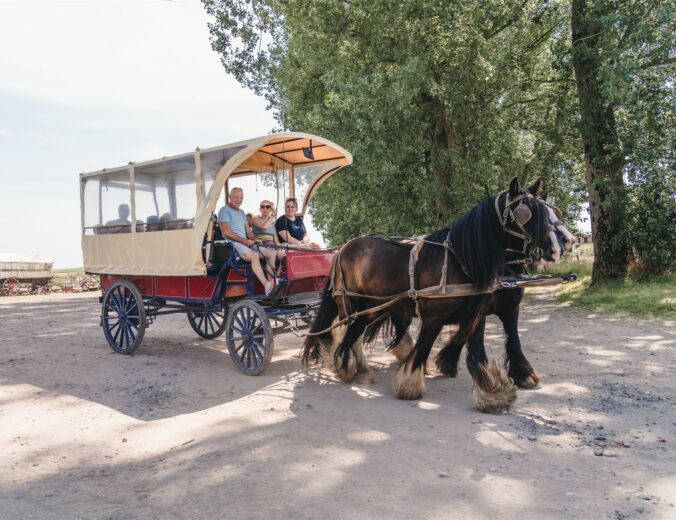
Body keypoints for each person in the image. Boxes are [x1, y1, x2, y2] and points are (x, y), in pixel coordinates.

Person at [218, 187, 276, 295]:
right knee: (254, 256)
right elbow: (226, 232)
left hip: (246, 243)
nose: (239, 200)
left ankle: (271, 282)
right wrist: (244, 241)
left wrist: (255, 239)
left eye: (241, 198)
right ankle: (267, 286)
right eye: (236, 197)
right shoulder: (224, 210)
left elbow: (248, 232)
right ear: (230, 197)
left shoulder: (241, 212)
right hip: (233, 244)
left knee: (271, 253)